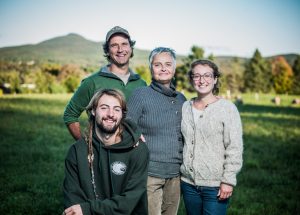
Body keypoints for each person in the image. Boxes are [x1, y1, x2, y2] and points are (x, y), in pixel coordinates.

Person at [63, 89, 149, 215]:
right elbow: (73, 200)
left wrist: (89, 209)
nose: (111, 114)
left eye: (116, 109)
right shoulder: (77, 152)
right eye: (104, 108)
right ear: (93, 111)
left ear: (122, 115)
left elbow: (129, 202)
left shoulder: (138, 150)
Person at [127, 47, 186, 215]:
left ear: (174, 70)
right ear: (151, 68)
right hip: (150, 173)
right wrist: (136, 135)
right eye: (157, 64)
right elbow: (127, 122)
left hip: (176, 173)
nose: (163, 68)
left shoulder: (181, 99)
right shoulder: (141, 94)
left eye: (168, 64)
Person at [180, 59, 243, 215]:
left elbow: (234, 147)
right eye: (197, 76)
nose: (202, 80)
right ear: (191, 79)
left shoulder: (227, 108)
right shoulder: (185, 107)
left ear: (215, 79)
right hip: (188, 184)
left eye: (207, 75)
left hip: (215, 185)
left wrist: (228, 180)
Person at [63, 26, 146, 140]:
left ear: (131, 48)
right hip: (102, 153)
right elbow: (70, 115)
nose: (120, 49)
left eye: (124, 44)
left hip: (133, 153)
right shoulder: (92, 82)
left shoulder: (141, 84)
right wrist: (84, 145)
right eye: (114, 45)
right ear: (107, 50)